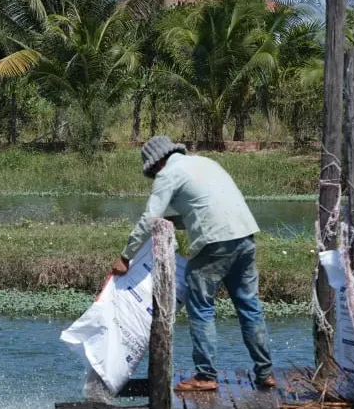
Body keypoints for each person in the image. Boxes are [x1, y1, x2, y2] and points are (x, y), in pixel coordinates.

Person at [111, 135, 275, 391]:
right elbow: (208, 207)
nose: (155, 179)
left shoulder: (168, 174)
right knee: (249, 305)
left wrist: (125, 256)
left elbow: (149, 217)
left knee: (200, 306)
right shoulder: (206, 163)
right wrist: (177, 222)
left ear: (156, 165)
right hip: (245, 237)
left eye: (152, 174)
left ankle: (206, 376)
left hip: (215, 244)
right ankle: (265, 373)